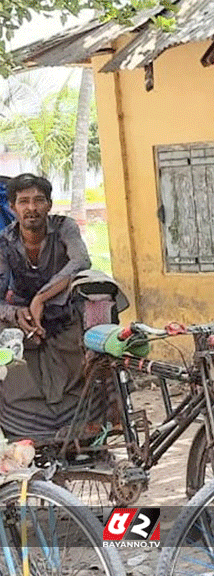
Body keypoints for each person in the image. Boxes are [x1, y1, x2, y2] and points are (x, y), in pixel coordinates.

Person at [0, 173, 93, 439]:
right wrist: (16, 313)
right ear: (12, 208)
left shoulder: (64, 227)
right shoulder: (4, 242)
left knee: (99, 293)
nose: (32, 208)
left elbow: (81, 261)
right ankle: (20, 430)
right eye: (24, 201)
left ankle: (103, 414)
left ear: (49, 205)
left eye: (39, 200)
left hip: (64, 311)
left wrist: (41, 298)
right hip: (26, 320)